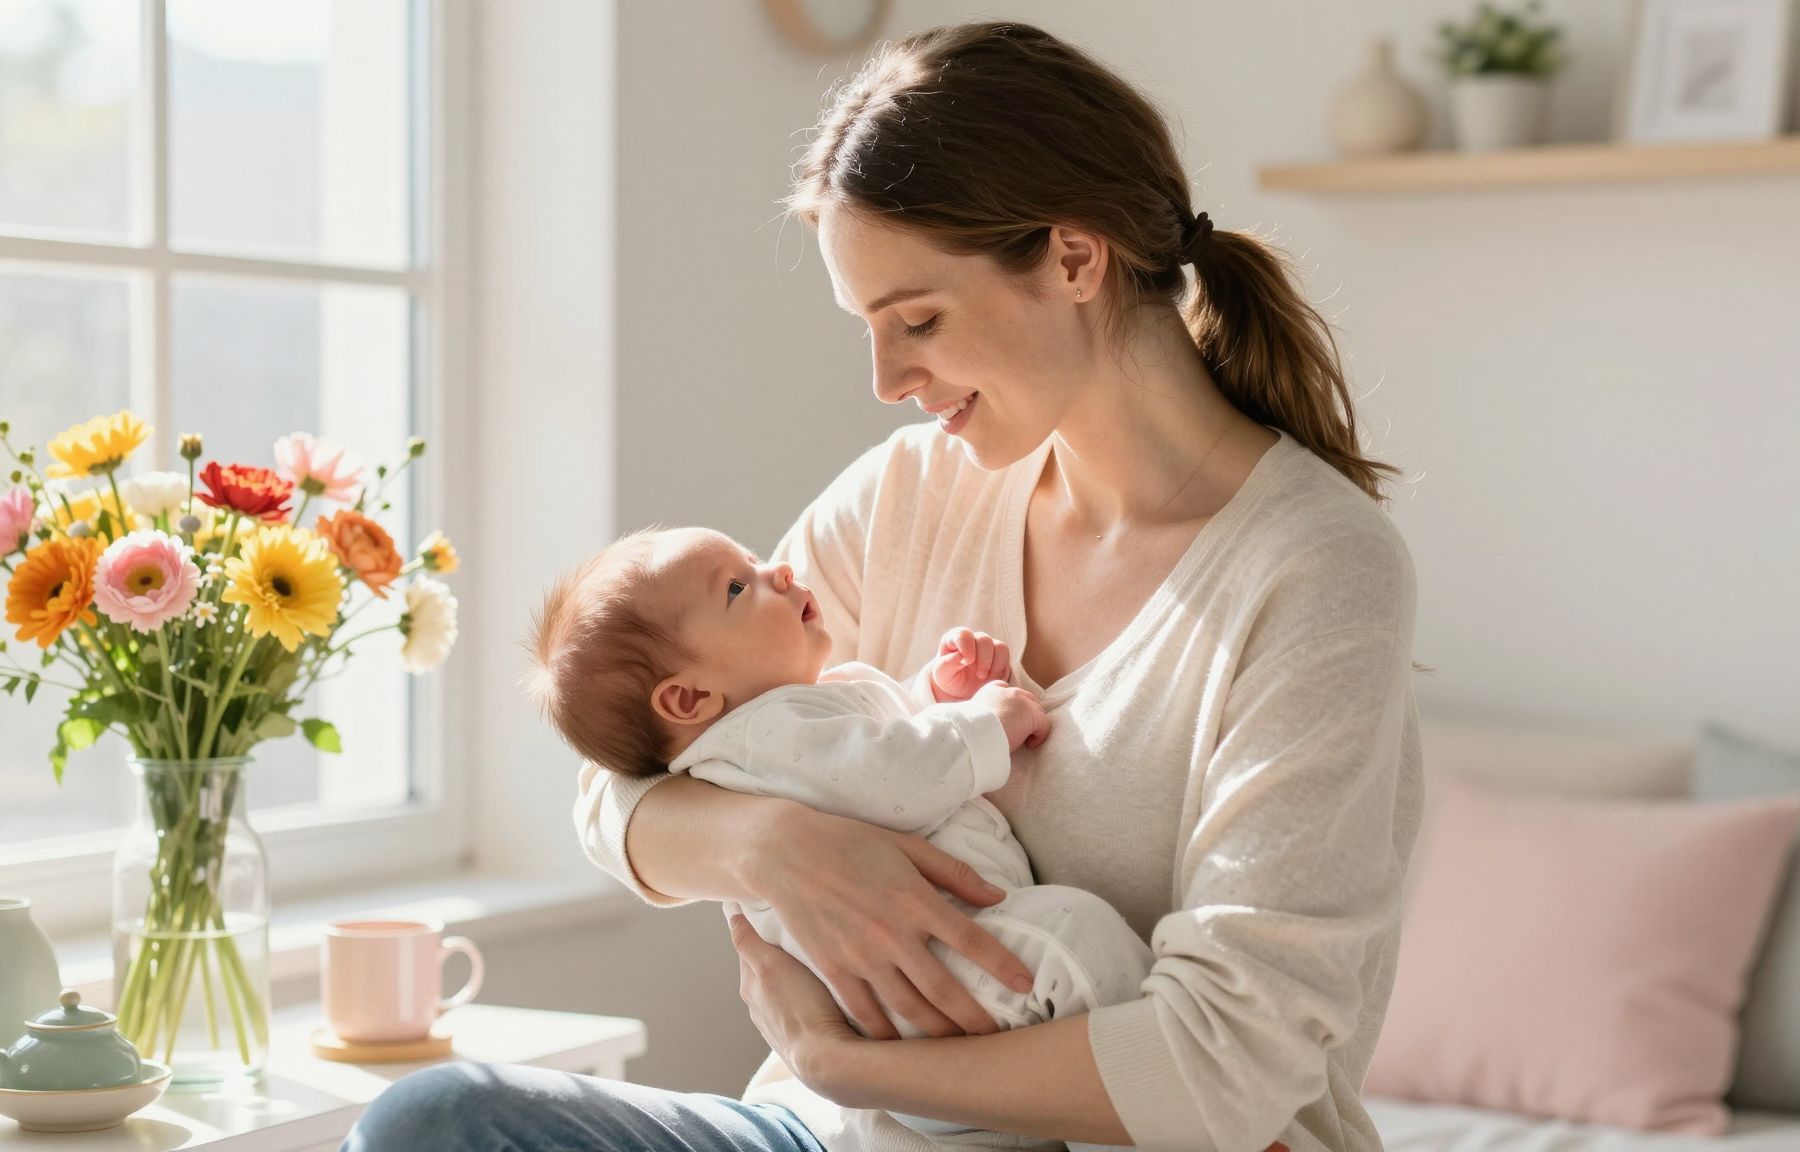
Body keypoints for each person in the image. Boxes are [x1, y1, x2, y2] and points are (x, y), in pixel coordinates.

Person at [342, 19, 1423, 1152]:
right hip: (836, 1137)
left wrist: (832, 1060)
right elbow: (621, 785)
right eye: (868, 329)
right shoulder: (908, 495)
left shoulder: (1312, 568)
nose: (885, 379)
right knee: (437, 1119)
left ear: (1072, 258)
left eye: (917, 321)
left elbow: (1228, 1065)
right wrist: (777, 849)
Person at [520, 525, 1155, 1147]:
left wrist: (933, 695)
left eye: (757, 557)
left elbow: (865, 747)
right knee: (1079, 941)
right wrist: (985, 723)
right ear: (688, 699)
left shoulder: (783, 722)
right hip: (932, 980)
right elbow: (891, 775)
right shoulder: (765, 733)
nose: (783, 570)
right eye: (738, 587)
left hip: (913, 1023)